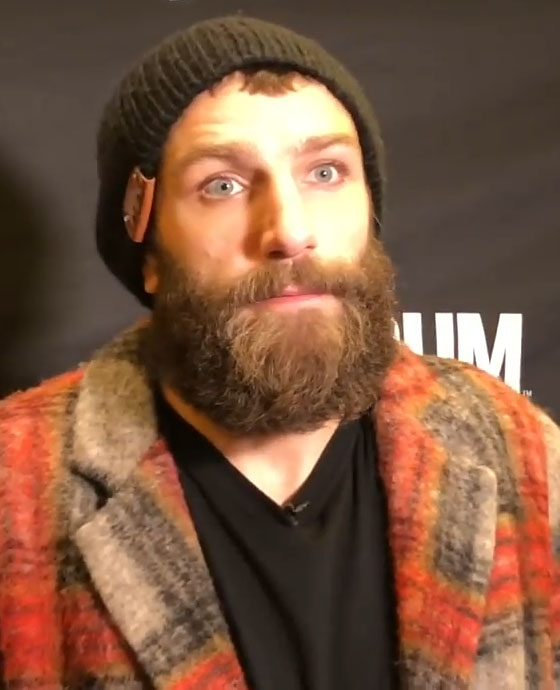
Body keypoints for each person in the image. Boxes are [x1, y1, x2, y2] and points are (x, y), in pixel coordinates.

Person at [0, 15, 558, 690]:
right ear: (147, 250)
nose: (290, 231)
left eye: (325, 172)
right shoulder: (16, 487)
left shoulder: (518, 446)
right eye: (223, 185)